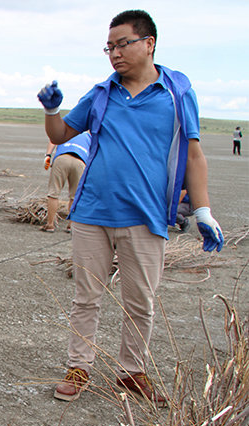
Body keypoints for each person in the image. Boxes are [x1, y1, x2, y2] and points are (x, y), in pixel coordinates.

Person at [38, 9, 224, 404]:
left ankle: (132, 371)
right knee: (86, 296)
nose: (114, 54)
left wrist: (203, 209)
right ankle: (79, 366)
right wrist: (52, 110)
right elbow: (61, 133)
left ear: (148, 43)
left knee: (141, 300)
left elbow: (193, 155)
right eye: (109, 47)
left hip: (146, 215)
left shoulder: (176, 93)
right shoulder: (102, 94)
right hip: (92, 213)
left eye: (122, 44)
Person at [41, 132, 91, 232]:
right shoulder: (90, 136)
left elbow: (53, 140)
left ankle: (50, 224)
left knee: (53, 193)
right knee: (74, 196)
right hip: (80, 162)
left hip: (61, 159)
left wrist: (48, 155)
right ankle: (71, 225)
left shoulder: (65, 130)